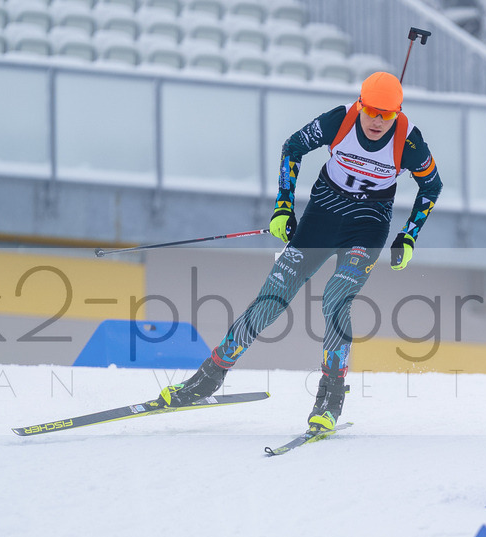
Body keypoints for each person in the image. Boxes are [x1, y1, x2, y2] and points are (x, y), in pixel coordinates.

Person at [158, 71, 443, 432]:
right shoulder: (338, 119)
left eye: (386, 114)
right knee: (271, 297)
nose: (375, 120)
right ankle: (209, 377)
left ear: (397, 113)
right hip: (321, 217)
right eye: (370, 110)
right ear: (360, 103)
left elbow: (431, 187)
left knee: (335, 299)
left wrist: (408, 236)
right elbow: (293, 147)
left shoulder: (410, 140)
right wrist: (283, 205)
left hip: (368, 225)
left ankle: (330, 397)